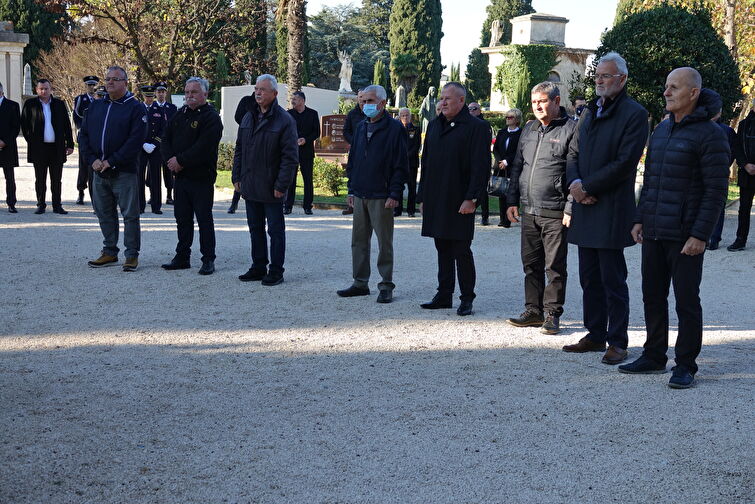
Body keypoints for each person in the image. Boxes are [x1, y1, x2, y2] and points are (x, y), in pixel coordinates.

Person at [620, 68, 729, 389]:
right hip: (654, 229)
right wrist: (640, 218)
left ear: (693, 93)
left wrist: (700, 234)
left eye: (674, 88)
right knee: (652, 296)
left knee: (686, 301)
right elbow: (650, 181)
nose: (666, 92)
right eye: (666, 86)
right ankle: (654, 355)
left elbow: (716, 191)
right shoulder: (663, 130)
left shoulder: (711, 135)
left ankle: (686, 365)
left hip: (685, 235)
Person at [562, 52, 649, 365]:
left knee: (613, 279)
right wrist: (576, 185)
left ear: (622, 79)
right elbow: (572, 152)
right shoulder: (588, 112)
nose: (599, 80)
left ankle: (618, 341)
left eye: (606, 76)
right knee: (588, 277)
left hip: (611, 207)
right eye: (597, 75)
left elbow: (625, 163)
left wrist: (588, 187)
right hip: (586, 206)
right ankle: (595, 334)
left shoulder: (634, 114)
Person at [505, 82, 577, 335]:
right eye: (534, 102)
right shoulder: (529, 129)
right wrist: (512, 201)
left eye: (543, 101)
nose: (537, 106)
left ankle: (552, 314)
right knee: (530, 264)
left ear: (557, 101)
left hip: (555, 210)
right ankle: (532, 311)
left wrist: (570, 207)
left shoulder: (571, 129)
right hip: (529, 209)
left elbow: (575, 172)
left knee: (554, 266)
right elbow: (517, 167)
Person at [417, 82, 490, 316]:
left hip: (460, 198)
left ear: (461, 101)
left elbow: (481, 167)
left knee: (461, 249)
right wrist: (423, 196)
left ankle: (467, 297)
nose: (443, 102)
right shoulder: (436, 125)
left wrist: (472, 198)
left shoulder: (476, 127)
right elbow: (425, 163)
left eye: (448, 98)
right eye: (441, 98)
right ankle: (444, 294)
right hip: (437, 197)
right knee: (441, 247)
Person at [336, 85, 408, 303]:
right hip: (360, 192)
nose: (365, 105)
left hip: (382, 194)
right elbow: (354, 160)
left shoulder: (395, 129)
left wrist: (394, 193)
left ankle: (386, 284)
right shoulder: (360, 127)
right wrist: (351, 189)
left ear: (383, 103)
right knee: (358, 241)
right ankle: (360, 283)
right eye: (363, 101)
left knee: (384, 242)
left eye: (369, 101)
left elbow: (400, 165)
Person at [232, 74, 298, 286]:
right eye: (256, 89)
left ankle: (276, 270)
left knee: (275, 231)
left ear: (275, 94)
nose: (258, 93)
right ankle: (258, 266)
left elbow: (290, 157)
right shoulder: (248, 117)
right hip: (250, 184)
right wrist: (236, 177)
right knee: (255, 228)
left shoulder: (284, 120)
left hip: (272, 187)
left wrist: (281, 185)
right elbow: (240, 149)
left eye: (263, 89)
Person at [80, 65, 147, 272]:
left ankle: (131, 255)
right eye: (107, 79)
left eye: (115, 79)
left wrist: (112, 160)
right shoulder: (95, 106)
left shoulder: (135, 107)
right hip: (98, 171)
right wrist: (92, 160)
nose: (109, 82)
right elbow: (83, 136)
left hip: (123, 171)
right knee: (104, 212)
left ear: (125, 83)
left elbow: (135, 140)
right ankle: (109, 251)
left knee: (130, 214)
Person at [161, 76, 223, 275]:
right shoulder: (180, 114)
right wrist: (170, 160)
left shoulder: (211, 117)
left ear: (205, 94)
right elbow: (165, 139)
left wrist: (180, 161)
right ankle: (182, 256)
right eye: (187, 92)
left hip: (201, 177)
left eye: (194, 92)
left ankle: (208, 259)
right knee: (182, 219)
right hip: (181, 178)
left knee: (204, 220)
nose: (189, 96)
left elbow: (204, 147)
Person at [21, 79, 74, 215]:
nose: (43, 91)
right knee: (40, 178)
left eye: (46, 88)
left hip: (56, 148)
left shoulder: (59, 104)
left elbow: (67, 125)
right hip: (39, 148)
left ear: (51, 89)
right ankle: (41, 204)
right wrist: (31, 141)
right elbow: (25, 125)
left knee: (56, 179)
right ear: (36, 90)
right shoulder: (30, 104)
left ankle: (57, 205)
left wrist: (70, 144)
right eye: (41, 89)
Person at [285, 91, 320, 215]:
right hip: (292, 151)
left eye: (295, 99)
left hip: (307, 152)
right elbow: (285, 131)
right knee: (290, 179)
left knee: (308, 179)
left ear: (302, 100)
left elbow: (316, 133)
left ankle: (307, 206)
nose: (292, 101)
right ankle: (288, 205)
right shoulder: (288, 114)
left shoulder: (312, 114)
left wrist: (305, 139)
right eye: (292, 99)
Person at [728, 98, 755, 251]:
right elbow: (737, 147)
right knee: (744, 208)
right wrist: (745, 165)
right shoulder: (744, 124)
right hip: (747, 173)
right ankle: (740, 239)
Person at [707, 109, 736, 250]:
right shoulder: (700, 128)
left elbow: (733, 151)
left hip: (719, 173)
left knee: (718, 205)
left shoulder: (728, 131)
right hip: (707, 172)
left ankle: (714, 238)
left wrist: (724, 166)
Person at [138, 85, 167, 214]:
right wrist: (142, 143)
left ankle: (156, 206)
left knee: (156, 177)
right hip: (141, 147)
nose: (149, 99)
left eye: (151, 96)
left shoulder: (159, 110)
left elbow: (163, 129)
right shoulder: (138, 109)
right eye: (147, 96)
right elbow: (134, 129)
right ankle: (140, 205)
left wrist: (155, 143)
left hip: (155, 148)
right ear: (143, 96)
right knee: (139, 177)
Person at [492, 108, 523, 227]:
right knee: (501, 191)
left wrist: (507, 161)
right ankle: (502, 219)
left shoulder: (521, 133)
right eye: (506, 117)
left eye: (510, 117)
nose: (507, 119)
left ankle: (510, 217)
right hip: (500, 167)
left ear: (516, 120)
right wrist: (500, 161)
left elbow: (519, 150)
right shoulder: (502, 132)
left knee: (512, 191)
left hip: (513, 167)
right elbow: (496, 149)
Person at [227, 93, 256, 214]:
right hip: (245, 133)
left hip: (258, 137)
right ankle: (234, 202)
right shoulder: (246, 100)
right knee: (241, 169)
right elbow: (237, 116)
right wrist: (246, 124)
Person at [73, 75, 99, 204]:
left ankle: (96, 195)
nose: (91, 87)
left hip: (97, 137)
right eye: (89, 85)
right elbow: (76, 116)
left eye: (93, 85)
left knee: (95, 165)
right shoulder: (80, 99)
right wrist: (83, 129)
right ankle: (81, 191)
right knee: (83, 165)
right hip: (84, 135)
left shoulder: (100, 99)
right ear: (85, 86)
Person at [468, 102, 494, 226]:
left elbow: (485, 143)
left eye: (474, 109)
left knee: (483, 191)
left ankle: (485, 216)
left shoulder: (484, 124)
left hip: (483, 160)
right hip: (470, 161)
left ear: (479, 110)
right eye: (469, 109)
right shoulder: (466, 123)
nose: (471, 111)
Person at [342, 90, 366, 216]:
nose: (362, 100)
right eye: (360, 97)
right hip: (355, 150)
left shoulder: (370, 113)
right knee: (352, 175)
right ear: (357, 98)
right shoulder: (352, 114)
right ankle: (350, 205)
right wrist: (354, 141)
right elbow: (346, 131)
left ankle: (363, 205)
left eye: (364, 97)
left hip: (368, 151)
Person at [154, 81, 178, 205]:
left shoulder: (172, 108)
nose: (161, 94)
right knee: (154, 172)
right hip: (154, 145)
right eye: (159, 92)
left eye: (163, 92)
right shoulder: (151, 107)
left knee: (168, 170)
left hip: (168, 144)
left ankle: (169, 195)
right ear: (155, 93)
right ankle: (154, 195)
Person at [396, 107, 421, 217]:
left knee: (411, 187)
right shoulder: (396, 129)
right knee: (398, 186)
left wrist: (406, 156)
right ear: (400, 117)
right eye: (403, 115)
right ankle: (398, 210)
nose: (405, 117)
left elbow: (416, 146)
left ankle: (411, 211)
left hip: (411, 163)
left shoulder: (415, 129)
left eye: (407, 115)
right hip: (399, 163)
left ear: (410, 116)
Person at [0, 81, 20, 213]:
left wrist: (4, 141)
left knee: (9, 177)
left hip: (8, 146)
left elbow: (16, 127)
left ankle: (11, 203)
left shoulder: (13, 105)